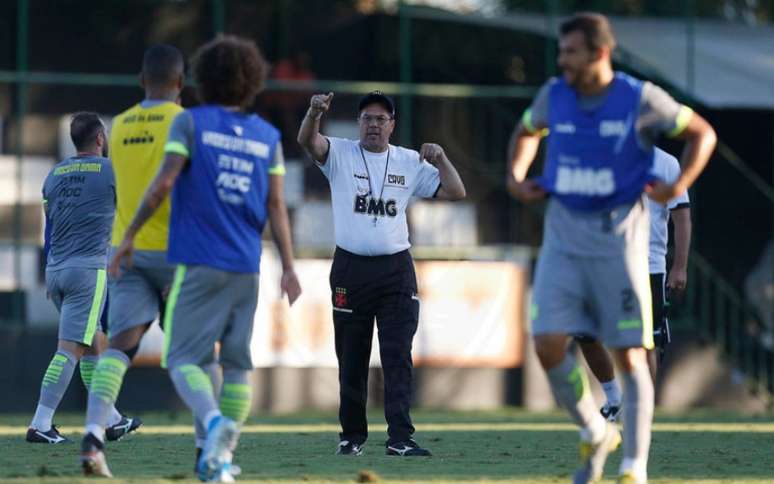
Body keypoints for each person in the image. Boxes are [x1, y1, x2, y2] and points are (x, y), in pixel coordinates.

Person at [506, 12, 716, 484]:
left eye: (571, 52)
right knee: (547, 344)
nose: (562, 61)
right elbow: (525, 130)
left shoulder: (638, 98)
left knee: (632, 355)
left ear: (599, 53)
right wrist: (517, 177)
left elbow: (702, 133)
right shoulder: (553, 95)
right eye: (560, 52)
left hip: (620, 246)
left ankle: (633, 468)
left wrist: (679, 181)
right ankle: (594, 430)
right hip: (562, 240)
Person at [88, 35, 302, 481]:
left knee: (157, 355)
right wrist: (290, 266)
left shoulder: (167, 124)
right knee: (229, 363)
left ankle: (195, 425)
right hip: (234, 262)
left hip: (173, 256)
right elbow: (276, 206)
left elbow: (162, 182)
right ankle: (216, 454)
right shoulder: (265, 135)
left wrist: (127, 236)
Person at [297, 90, 466, 457]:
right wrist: (314, 113)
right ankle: (351, 436)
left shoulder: (408, 161)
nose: (373, 125)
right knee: (352, 356)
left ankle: (400, 438)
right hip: (350, 268)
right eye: (367, 119)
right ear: (359, 124)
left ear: (392, 125)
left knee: (397, 355)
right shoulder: (340, 153)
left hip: (395, 270)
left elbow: (456, 190)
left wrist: (441, 157)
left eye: (380, 119)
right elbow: (308, 141)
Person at [79, 44, 186, 473]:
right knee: (195, 350)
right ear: (180, 84)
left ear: (142, 81)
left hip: (125, 250)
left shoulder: (118, 125)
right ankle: (213, 446)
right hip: (177, 251)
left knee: (120, 345)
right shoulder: (184, 121)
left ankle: (92, 436)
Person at [27, 112, 124, 444]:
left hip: (55, 271)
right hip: (87, 271)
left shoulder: (54, 175)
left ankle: (110, 418)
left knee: (94, 342)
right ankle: (40, 423)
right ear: (100, 138)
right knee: (69, 349)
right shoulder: (111, 172)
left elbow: (49, 227)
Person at [578, 147, 692, 422]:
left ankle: (641, 414)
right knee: (583, 330)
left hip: (647, 265)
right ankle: (615, 398)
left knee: (647, 342)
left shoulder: (666, 162)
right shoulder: (603, 155)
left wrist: (679, 266)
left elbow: (682, 217)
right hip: (604, 260)